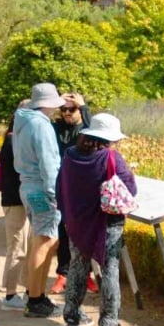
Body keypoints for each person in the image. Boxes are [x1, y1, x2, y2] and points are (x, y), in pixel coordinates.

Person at [55, 112, 137, 326]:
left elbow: (59, 185)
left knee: (77, 266)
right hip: (107, 222)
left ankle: (72, 315)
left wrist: (66, 214)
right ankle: (109, 320)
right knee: (110, 268)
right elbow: (130, 188)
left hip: (77, 221)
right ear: (109, 138)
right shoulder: (111, 158)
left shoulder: (70, 155)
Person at [12, 81, 67, 318]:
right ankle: (35, 300)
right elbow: (49, 163)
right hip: (42, 188)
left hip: (28, 186)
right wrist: (56, 194)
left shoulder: (23, 122)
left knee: (43, 241)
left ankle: (36, 295)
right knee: (44, 242)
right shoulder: (41, 125)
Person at [50, 93, 97, 296]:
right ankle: (63, 273)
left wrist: (84, 107)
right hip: (62, 185)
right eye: (64, 109)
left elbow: (97, 132)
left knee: (84, 233)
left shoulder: (85, 129)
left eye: (72, 109)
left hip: (83, 186)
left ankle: (86, 274)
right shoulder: (56, 127)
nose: (67, 113)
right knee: (62, 230)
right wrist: (55, 104)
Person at [0, 108, 29, 309]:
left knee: (22, 247)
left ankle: (22, 291)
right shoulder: (12, 142)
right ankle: (10, 295)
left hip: (15, 200)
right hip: (15, 201)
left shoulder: (11, 140)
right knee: (17, 248)